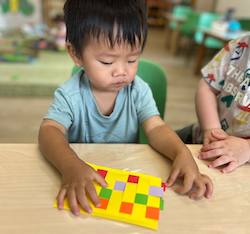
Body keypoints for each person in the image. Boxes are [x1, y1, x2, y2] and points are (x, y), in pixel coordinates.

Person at [38, 0, 213, 216]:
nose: (121, 71)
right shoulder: (70, 94)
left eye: (132, 59)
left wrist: (181, 152)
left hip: (126, 176)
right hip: (81, 174)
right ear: (75, 54)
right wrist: (69, 165)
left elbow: (156, 128)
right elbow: (49, 131)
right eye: (106, 62)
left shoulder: (138, 90)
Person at [176, 35, 250, 174]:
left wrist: (247, 148)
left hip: (241, 166)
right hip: (202, 137)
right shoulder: (239, 45)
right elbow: (207, 87)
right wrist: (211, 128)